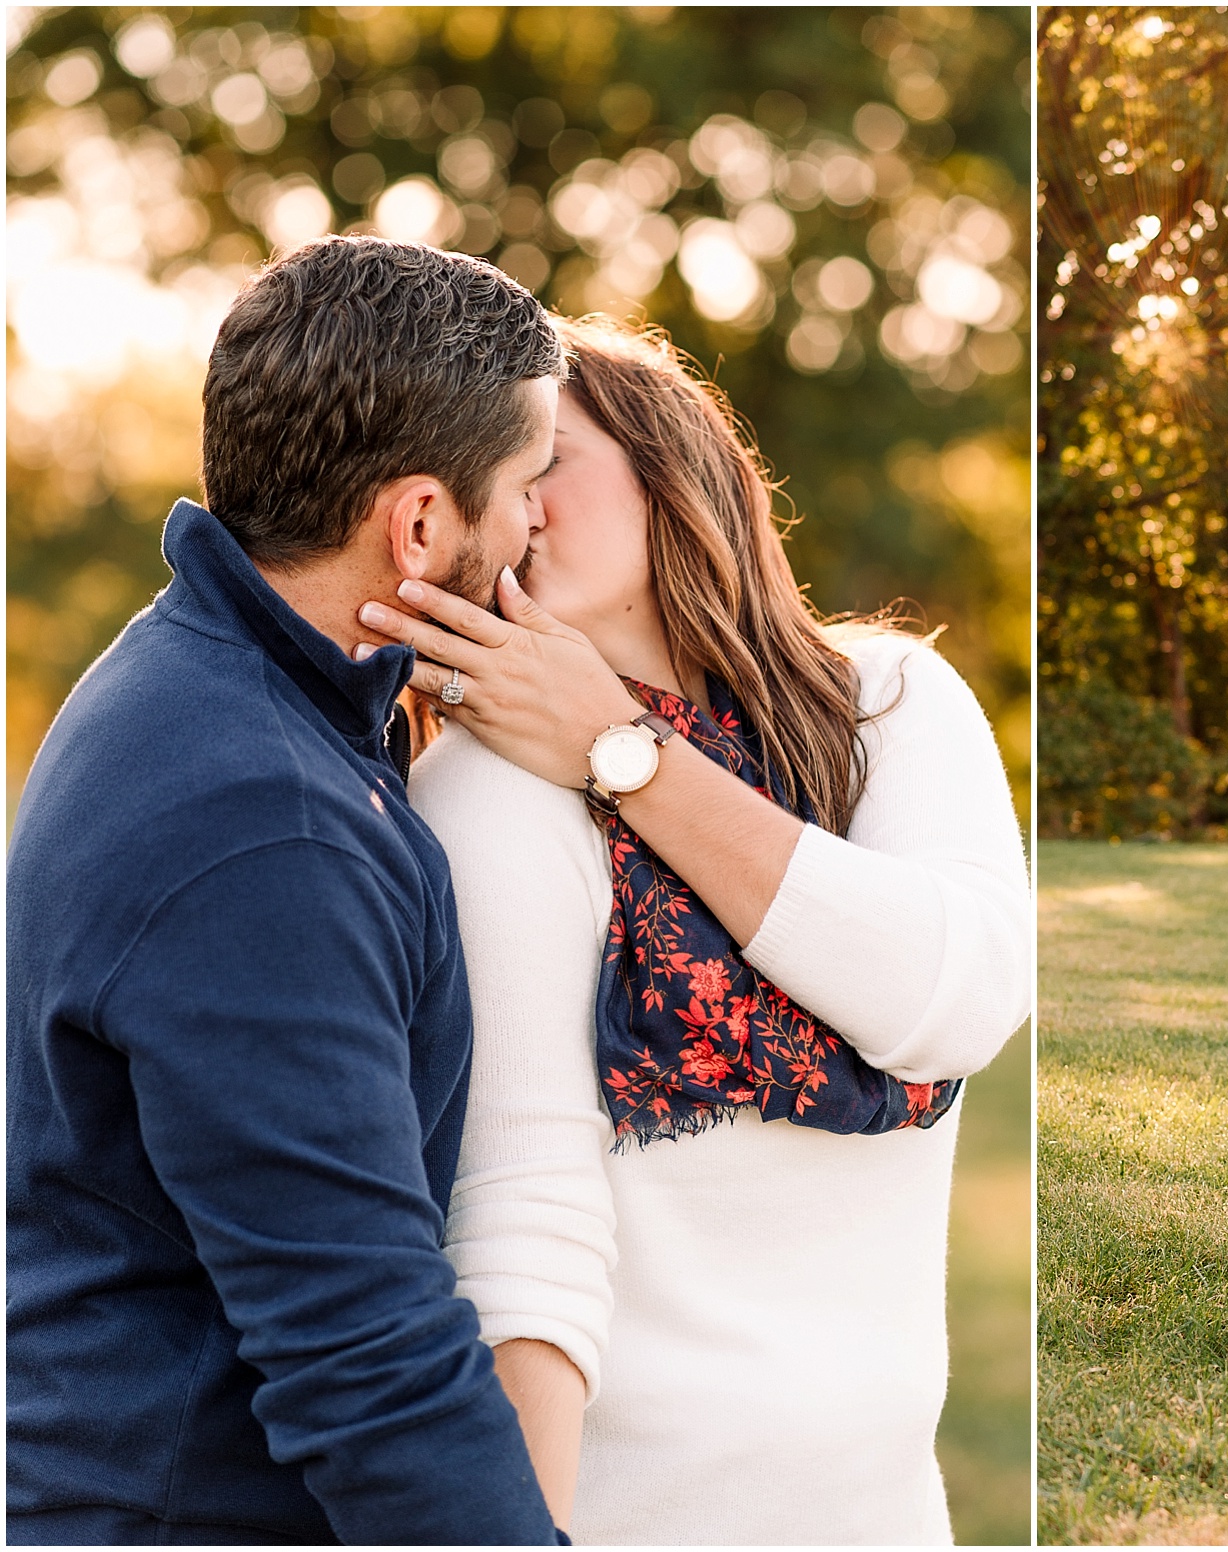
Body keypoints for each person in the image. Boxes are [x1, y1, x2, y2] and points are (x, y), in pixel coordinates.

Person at [353, 313, 1032, 1544]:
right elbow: (521, 1236)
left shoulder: (888, 707)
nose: (524, 502)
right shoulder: (487, 792)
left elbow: (958, 997)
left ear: (673, 462)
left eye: (549, 452)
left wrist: (624, 753)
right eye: (494, 476)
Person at [6, 238, 568, 1544]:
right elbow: (364, 1355)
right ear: (420, 523)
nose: (540, 522)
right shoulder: (264, 818)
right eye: (528, 485)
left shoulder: (215, 678)